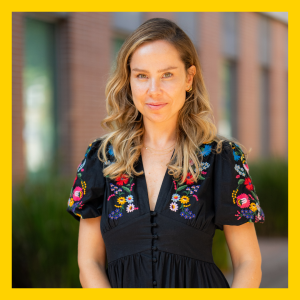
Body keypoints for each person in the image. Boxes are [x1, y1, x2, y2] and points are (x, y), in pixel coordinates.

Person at [67, 18, 265, 288]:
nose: (153, 90)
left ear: (189, 78)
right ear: (129, 81)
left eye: (167, 75)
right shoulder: (101, 158)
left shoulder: (221, 158)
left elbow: (248, 262)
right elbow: (88, 262)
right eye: (142, 76)